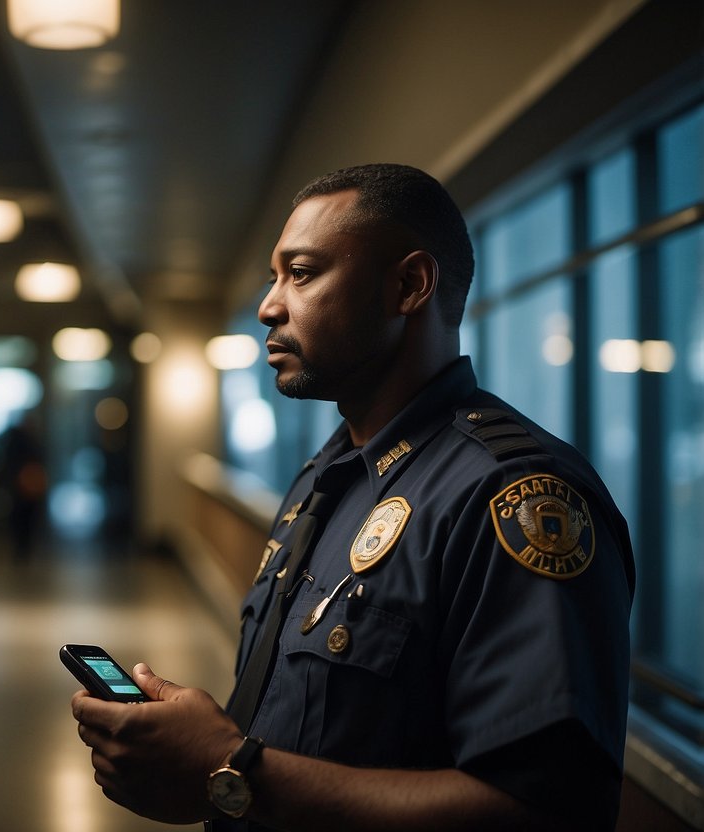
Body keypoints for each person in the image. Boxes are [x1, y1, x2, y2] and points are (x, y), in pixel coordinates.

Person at [70, 164, 635, 831]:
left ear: (407, 285)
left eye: (300, 273)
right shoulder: (326, 474)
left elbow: (542, 811)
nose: (268, 306)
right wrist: (200, 756)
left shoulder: (509, 496)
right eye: (274, 276)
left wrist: (229, 770)